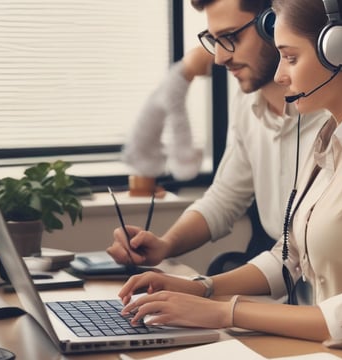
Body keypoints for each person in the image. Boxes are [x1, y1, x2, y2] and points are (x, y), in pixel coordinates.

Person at [117, 0, 342, 359]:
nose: (280, 75)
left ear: (340, 50)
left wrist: (222, 311)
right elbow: (290, 257)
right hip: (328, 351)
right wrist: (200, 288)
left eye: (291, 58)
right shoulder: (331, 138)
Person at [108, 0, 328, 270]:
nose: (219, 58)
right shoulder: (247, 104)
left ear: (274, 25)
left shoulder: (337, 113)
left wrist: (207, 293)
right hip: (280, 276)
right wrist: (164, 245)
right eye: (215, 40)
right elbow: (225, 197)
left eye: (231, 36)